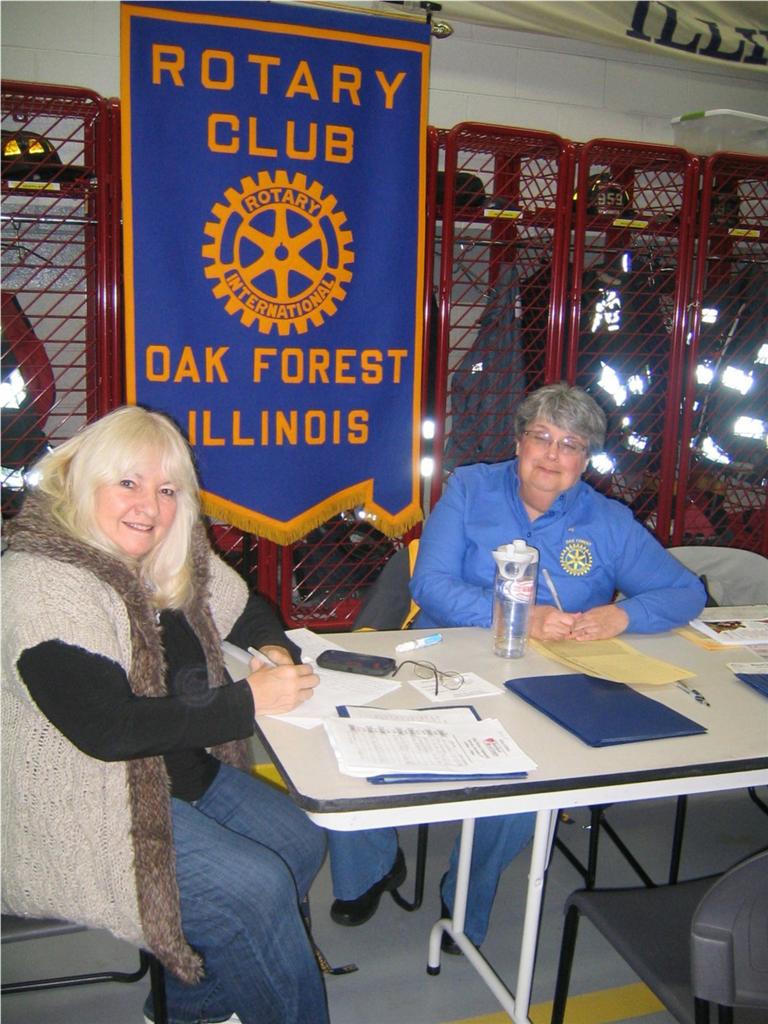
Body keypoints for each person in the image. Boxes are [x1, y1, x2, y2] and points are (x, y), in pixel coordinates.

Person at [326, 382, 706, 951]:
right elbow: (430, 583)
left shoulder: (608, 521)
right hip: (445, 655)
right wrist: (516, 615)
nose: (552, 455)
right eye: (541, 437)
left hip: (546, 674)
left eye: (570, 444)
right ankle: (371, 866)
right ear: (519, 441)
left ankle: (464, 897)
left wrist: (622, 616)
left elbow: (684, 593)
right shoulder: (470, 488)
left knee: (527, 780)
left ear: (586, 459)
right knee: (356, 727)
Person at [1, 405, 330, 1024]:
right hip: (84, 806)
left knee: (299, 840)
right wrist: (249, 701)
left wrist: (274, 649)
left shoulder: (168, 555)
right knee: (255, 889)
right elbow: (109, 729)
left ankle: (190, 1009)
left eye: (167, 490)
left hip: (173, 776)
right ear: (83, 481)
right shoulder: (41, 582)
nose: (149, 507)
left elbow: (246, 609)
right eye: (127, 482)